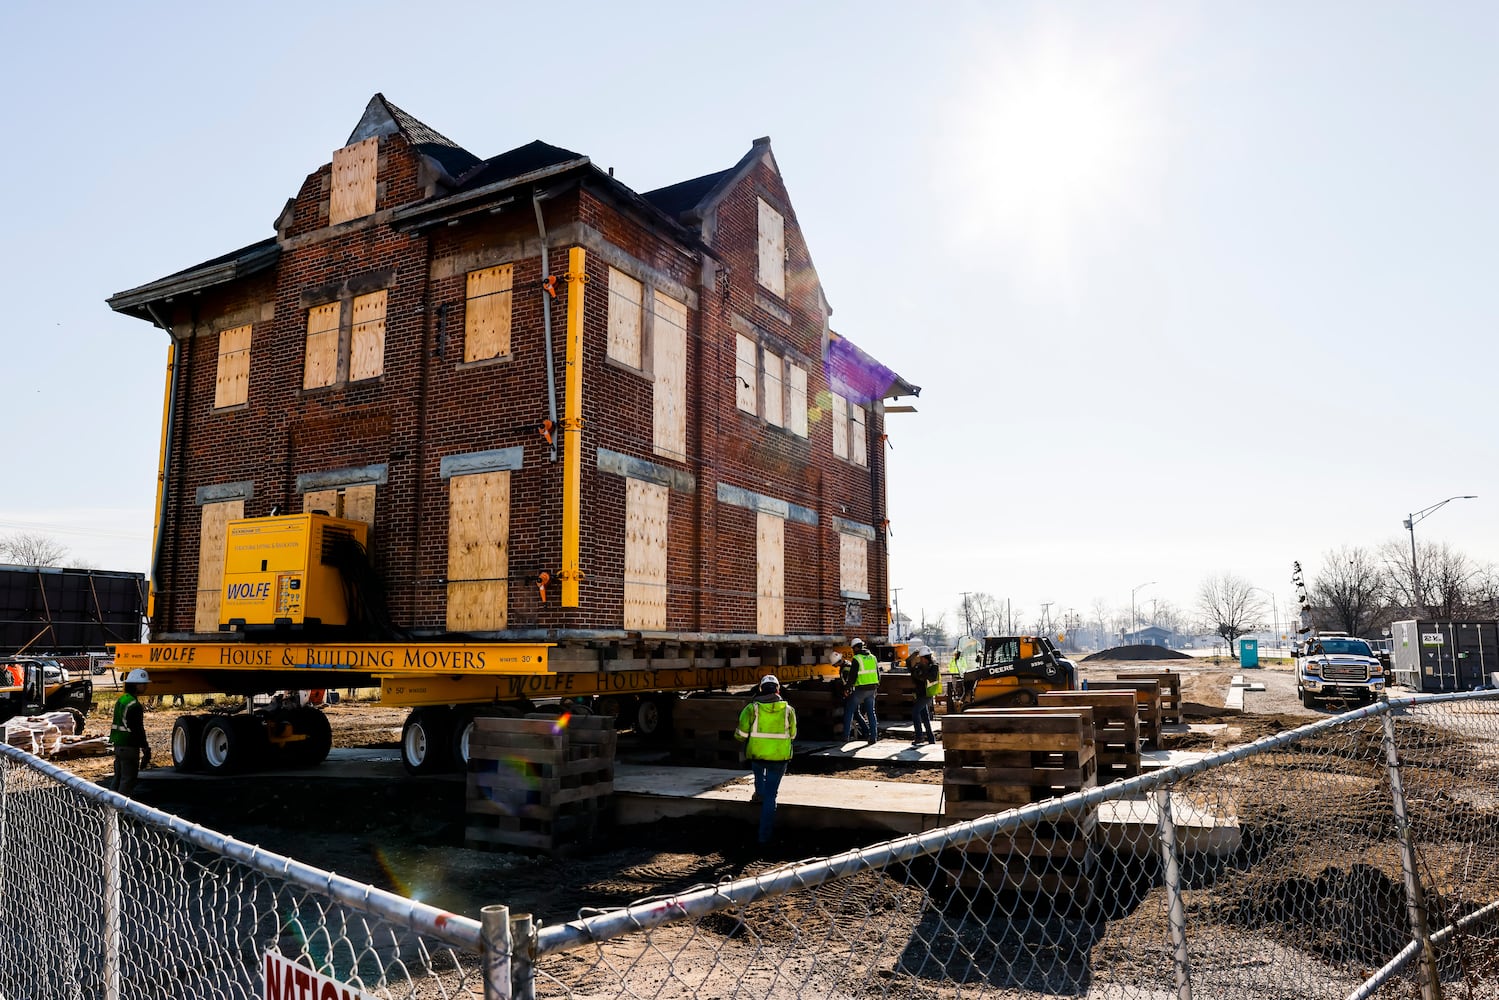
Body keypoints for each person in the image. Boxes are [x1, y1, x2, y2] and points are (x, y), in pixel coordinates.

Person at [735, 674, 797, 846]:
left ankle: (758, 793)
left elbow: (741, 733)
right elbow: (793, 734)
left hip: (758, 755)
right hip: (779, 758)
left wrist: (743, 740)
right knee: (772, 796)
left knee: (758, 770)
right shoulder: (788, 710)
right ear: (778, 689)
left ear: (761, 689)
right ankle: (764, 836)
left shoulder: (751, 709)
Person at [109, 668, 152, 796]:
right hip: (129, 746)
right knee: (127, 780)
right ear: (136, 684)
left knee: (118, 778)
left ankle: (109, 807)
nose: (145, 686)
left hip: (118, 744)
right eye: (143, 684)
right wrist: (145, 747)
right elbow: (137, 728)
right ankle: (121, 812)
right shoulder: (135, 705)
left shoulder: (122, 700)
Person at [841, 638, 881, 745]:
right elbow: (878, 674)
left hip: (860, 690)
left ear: (856, 648)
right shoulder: (873, 657)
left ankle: (846, 736)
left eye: (853, 648)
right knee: (871, 713)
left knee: (849, 710)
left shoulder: (857, 659)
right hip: (872, 689)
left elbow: (852, 677)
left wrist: (847, 689)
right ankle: (873, 737)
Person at [908, 646, 940, 745]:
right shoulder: (919, 665)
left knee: (915, 712)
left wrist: (920, 674)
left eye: (921, 658)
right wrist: (913, 655)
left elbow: (931, 677)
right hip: (920, 693)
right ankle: (931, 738)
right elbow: (909, 665)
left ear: (925, 657)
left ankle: (919, 737)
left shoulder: (934, 666)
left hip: (928, 694)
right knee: (924, 716)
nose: (920, 659)